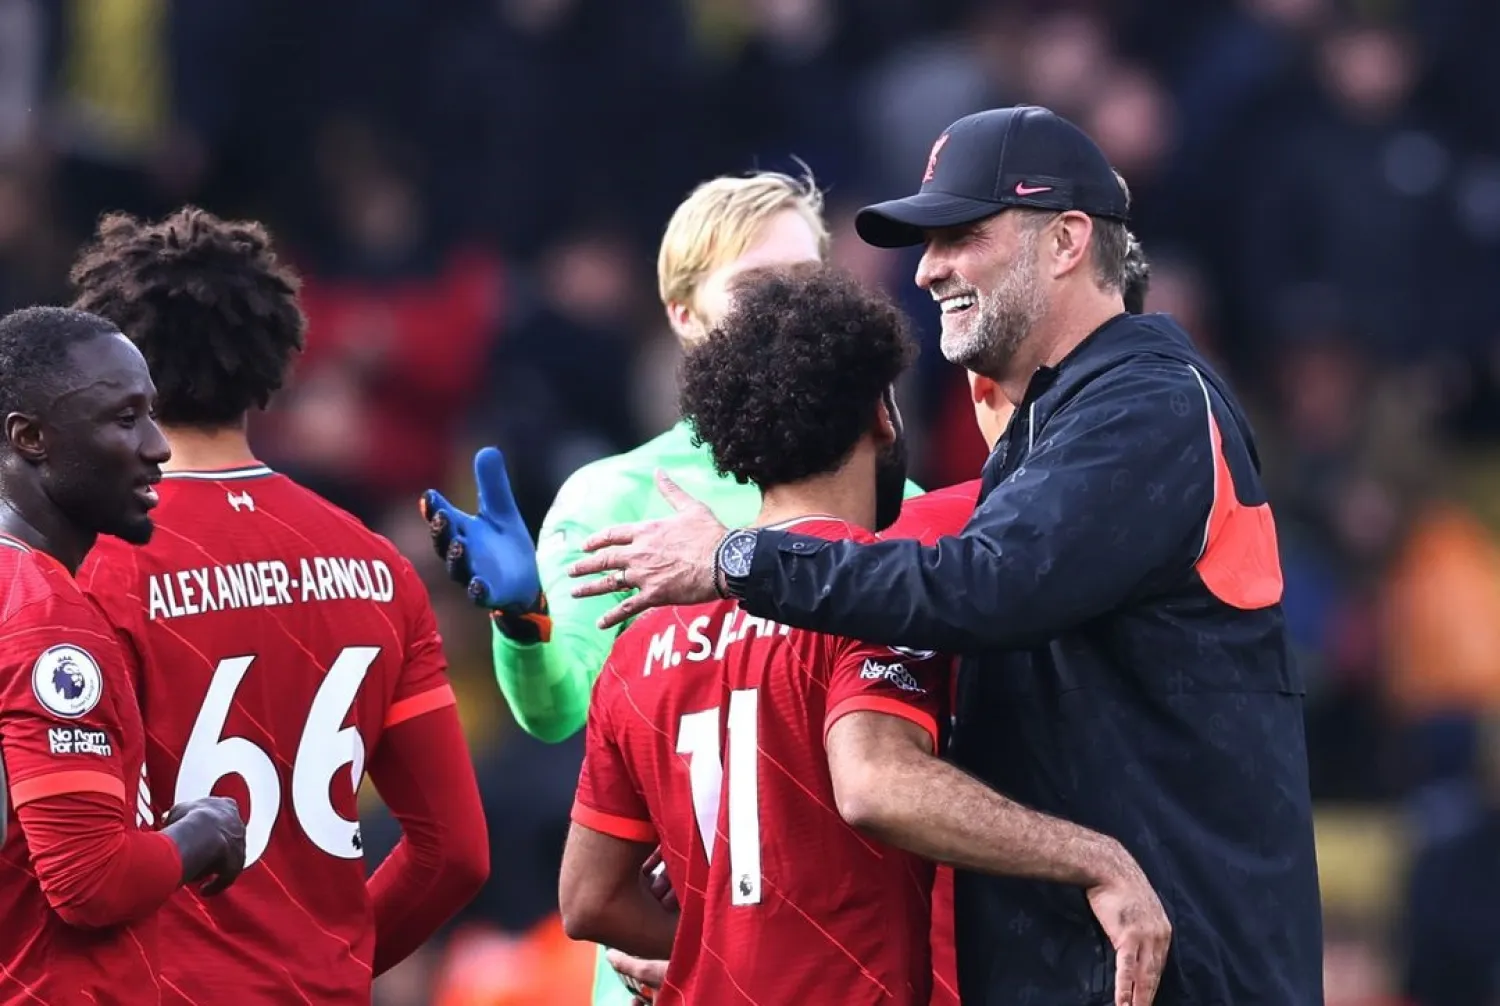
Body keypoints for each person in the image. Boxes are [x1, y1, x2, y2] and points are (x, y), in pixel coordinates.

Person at [568, 106, 1324, 1006]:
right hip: (1094, 963)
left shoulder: (1148, 407)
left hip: (1178, 966)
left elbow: (984, 590)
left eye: (960, 235)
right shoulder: (1045, 437)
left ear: (1068, 240)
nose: (927, 270)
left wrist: (739, 561)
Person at [558, 265, 1168, 1006]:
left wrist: (709, 953)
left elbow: (588, 900)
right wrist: (1093, 858)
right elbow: (876, 784)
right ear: (883, 413)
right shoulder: (890, 584)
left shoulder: (641, 646)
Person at [420, 168, 920, 1005]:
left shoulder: (885, 484)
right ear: (685, 317)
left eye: (804, 284)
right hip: (664, 948)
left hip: (842, 941)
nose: (787, 312)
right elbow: (554, 713)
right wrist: (523, 620)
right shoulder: (611, 497)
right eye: (758, 288)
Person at [69, 208, 490, 1003]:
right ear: (271, 356)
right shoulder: (379, 568)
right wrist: (331, 964)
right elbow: (456, 853)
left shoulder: (90, 571)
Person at [0, 305, 246, 1004]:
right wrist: (203, 833)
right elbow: (87, 882)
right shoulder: (46, 619)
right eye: (124, 418)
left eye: (153, 414)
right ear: (31, 438)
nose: (159, 446)